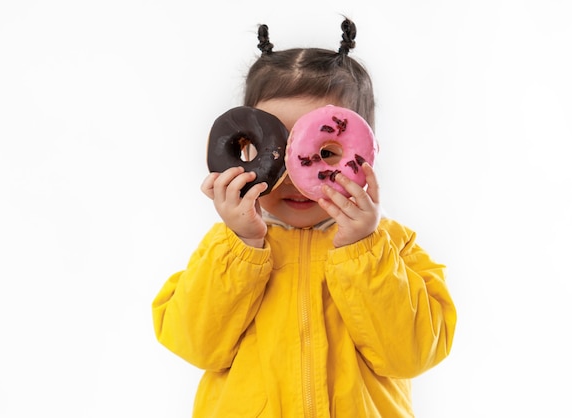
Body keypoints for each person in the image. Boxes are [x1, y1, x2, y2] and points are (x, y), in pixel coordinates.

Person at [152, 18, 456, 418]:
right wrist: (242, 245)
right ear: (245, 148)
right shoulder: (228, 247)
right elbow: (192, 343)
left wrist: (363, 251)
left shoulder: (394, 246)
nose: (296, 175)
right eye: (274, 148)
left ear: (367, 152)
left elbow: (413, 355)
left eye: (325, 152)